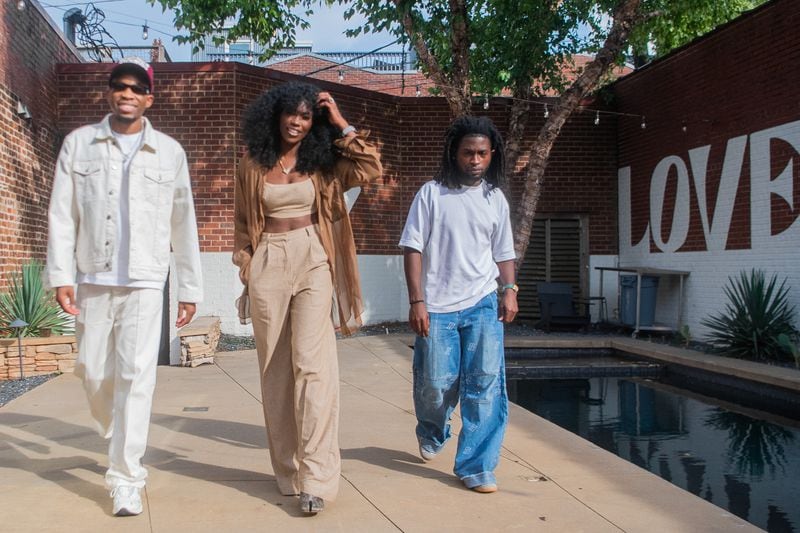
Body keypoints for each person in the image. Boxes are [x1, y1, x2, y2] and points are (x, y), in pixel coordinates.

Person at [46, 57, 203, 516]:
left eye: (137, 88)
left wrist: (189, 287)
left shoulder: (170, 152)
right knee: (92, 371)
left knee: (137, 378)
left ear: (149, 98)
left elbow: (183, 222)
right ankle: (117, 430)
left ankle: (126, 477)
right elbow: (62, 214)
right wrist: (60, 275)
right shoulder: (80, 145)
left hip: (145, 281)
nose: (127, 93)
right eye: (120, 85)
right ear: (109, 93)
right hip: (92, 278)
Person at [232, 82, 382, 514]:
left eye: (306, 116)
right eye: (291, 114)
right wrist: (248, 264)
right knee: (275, 372)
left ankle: (316, 480)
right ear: (275, 116)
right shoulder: (252, 163)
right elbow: (244, 224)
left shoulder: (325, 160)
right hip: (268, 264)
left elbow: (370, 167)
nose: (297, 122)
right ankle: (288, 472)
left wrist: (338, 121)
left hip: (314, 256)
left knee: (314, 368)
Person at [398, 115, 518, 493]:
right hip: (437, 304)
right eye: (468, 152)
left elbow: (503, 252)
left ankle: (476, 466)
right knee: (435, 384)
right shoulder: (432, 194)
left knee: (485, 386)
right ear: (455, 153)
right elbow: (412, 248)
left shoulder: (495, 198)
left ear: (491, 154)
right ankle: (433, 428)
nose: (475, 160)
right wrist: (417, 300)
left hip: (483, 302)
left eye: (482, 153)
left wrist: (510, 288)